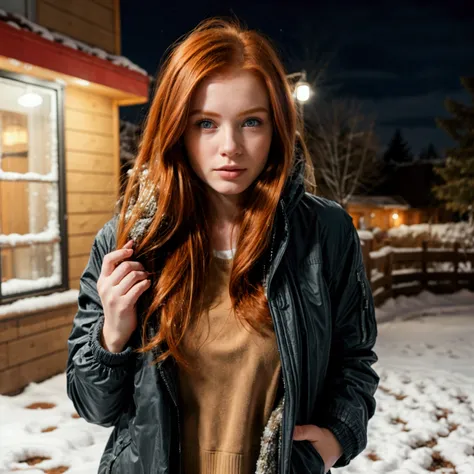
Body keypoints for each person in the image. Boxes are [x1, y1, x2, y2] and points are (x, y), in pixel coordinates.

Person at [66, 18, 379, 474]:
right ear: (177, 128)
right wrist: (112, 334)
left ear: (277, 127)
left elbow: (354, 361)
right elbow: (94, 407)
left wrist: (335, 439)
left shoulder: (324, 232)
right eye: (206, 123)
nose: (229, 147)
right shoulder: (129, 240)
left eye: (251, 121)